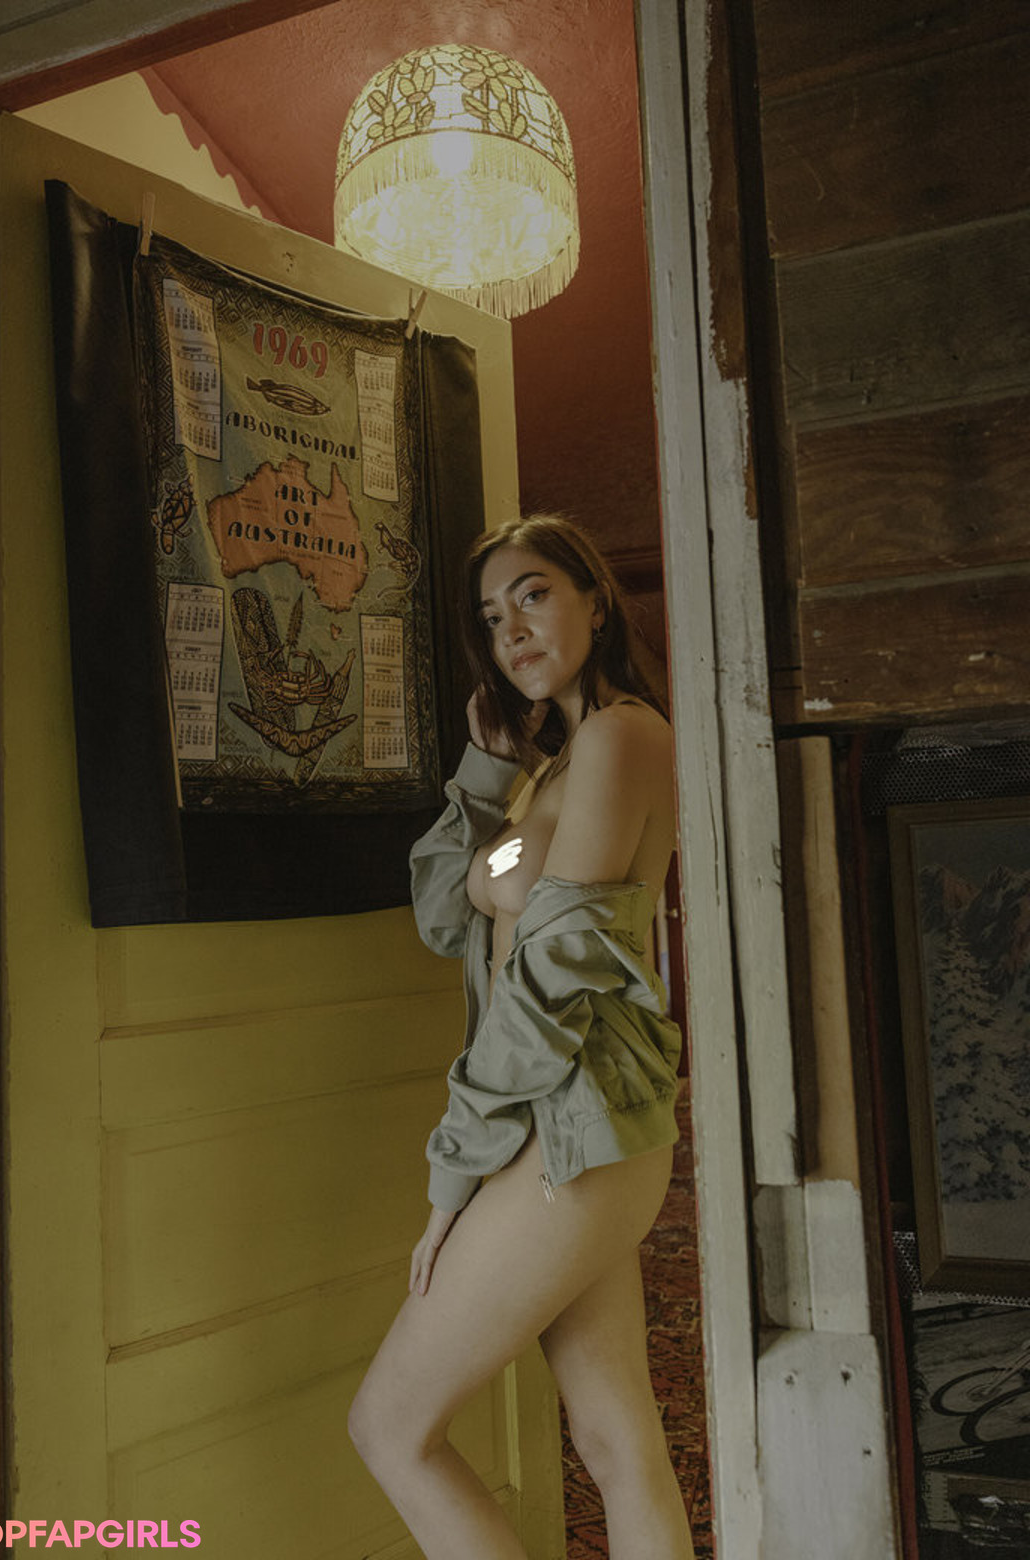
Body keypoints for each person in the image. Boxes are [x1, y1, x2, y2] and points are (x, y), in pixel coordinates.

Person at [348, 515, 695, 1560]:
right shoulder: (554, 769)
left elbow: (548, 980)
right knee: (614, 1438)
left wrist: (451, 1184)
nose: (514, 631)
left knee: (389, 1430)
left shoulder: (624, 738)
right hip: (564, 1125)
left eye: (534, 595)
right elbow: (446, 911)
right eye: (494, 618)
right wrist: (491, 769)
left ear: (596, 598)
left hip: (567, 1124)